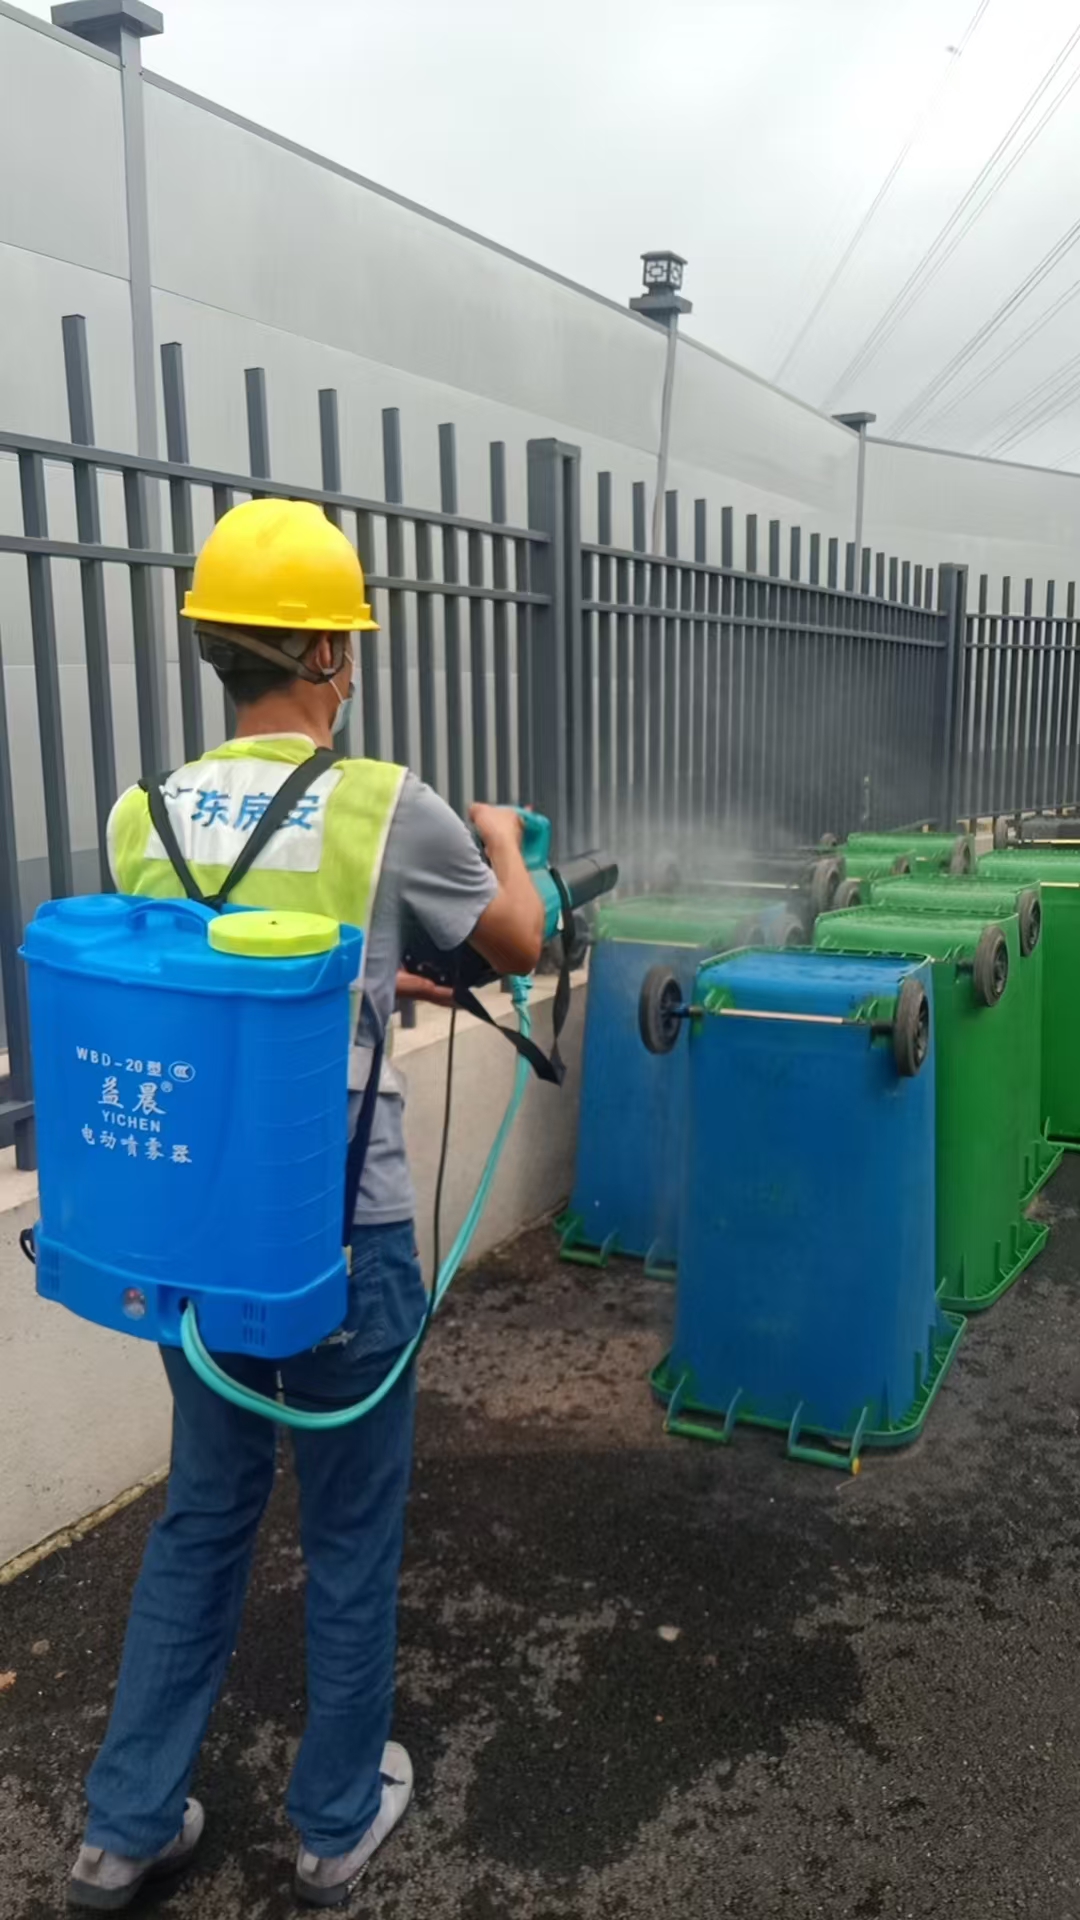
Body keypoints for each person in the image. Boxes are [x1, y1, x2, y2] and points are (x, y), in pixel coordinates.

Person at [68, 498, 544, 1911]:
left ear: (214, 648)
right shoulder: (387, 804)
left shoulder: (142, 814)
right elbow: (519, 940)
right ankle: (335, 1822)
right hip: (345, 1236)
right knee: (348, 1530)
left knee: (204, 1511)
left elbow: (221, 972)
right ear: (332, 653)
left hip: (200, 1242)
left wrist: (373, 969)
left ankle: (122, 1827)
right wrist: (505, 840)